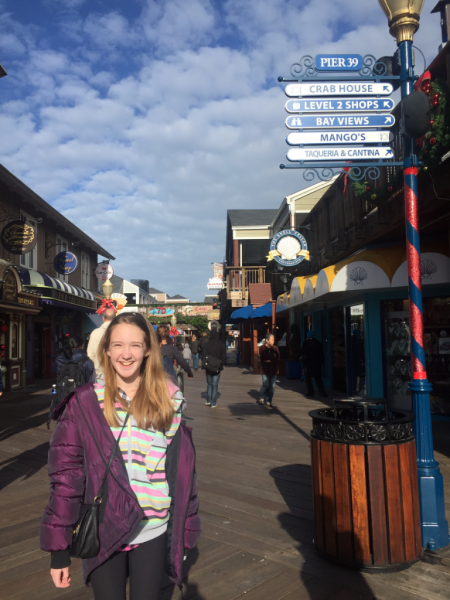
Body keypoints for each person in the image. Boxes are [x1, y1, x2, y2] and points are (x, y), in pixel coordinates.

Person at [41, 312, 201, 600]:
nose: (125, 354)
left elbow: (182, 473)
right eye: (117, 345)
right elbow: (66, 479)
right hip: (104, 527)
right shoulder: (85, 402)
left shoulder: (169, 398)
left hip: (153, 526)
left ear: (148, 350)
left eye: (135, 345)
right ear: (106, 350)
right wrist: (58, 551)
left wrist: (186, 529)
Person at [87, 308, 116, 378]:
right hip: (116, 373)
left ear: (103, 318)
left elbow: (90, 355)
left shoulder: (95, 333)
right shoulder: (119, 332)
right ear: (115, 319)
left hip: (99, 374)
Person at [202, 329, 226, 408]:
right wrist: (221, 366)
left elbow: (203, 356)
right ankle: (213, 402)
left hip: (208, 367)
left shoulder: (206, 344)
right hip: (217, 367)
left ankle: (208, 400)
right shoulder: (221, 345)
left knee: (209, 384)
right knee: (215, 385)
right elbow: (223, 357)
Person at [301, 330, 328, 398]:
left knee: (308, 378)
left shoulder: (306, 343)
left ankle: (311, 392)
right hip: (317, 364)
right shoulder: (318, 343)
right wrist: (322, 362)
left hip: (308, 364)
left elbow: (302, 353)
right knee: (318, 378)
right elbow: (321, 355)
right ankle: (322, 391)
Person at [258, 333, 280, 407]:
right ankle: (261, 395)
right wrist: (272, 357)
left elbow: (277, 358)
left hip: (274, 370)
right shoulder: (261, 348)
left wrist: (269, 360)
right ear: (267, 340)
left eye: (274, 340)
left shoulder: (275, 348)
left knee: (272, 386)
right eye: (272, 340)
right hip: (265, 370)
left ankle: (268, 400)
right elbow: (262, 358)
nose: (273, 341)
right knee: (266, 384)